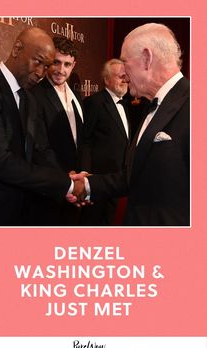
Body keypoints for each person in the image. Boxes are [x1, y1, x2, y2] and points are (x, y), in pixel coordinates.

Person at [69, 23, 190, 227]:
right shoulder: (150, 105)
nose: (123, 74)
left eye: (125, 62)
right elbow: (134, 177)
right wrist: (86, 185)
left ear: (146, 58)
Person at [0, 27, 77, 226]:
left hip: (25, 212)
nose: (40, 73)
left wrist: (65, 178)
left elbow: (39, 149)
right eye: (37, 61)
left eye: (46, 67)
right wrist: (64, 184)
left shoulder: (29, 97)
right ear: (17, 49)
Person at [29, 36, 84, 225]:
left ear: (73, 65)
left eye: (67, 64)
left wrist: (81, 178)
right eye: (57, 63)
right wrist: (65, 179)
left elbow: (81, 141)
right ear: (48, 61)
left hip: (75, 189)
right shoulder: (35, 94)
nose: (62, 70)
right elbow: (39, 145)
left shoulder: (77, 96)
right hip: (50, 189)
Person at [79, 59, 130, 225]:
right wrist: (86, 174)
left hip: (117, 179)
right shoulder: (95, 102)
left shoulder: (127, 103)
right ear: (107, 80)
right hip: (98, 180)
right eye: (120, 76)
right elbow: (84, 140)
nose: (125, 80)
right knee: (92, 224)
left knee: (109, 222)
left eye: (126, 76)